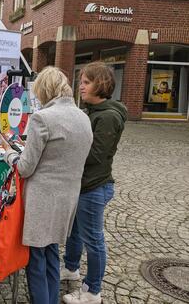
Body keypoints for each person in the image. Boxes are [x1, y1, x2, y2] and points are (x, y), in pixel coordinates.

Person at [0, 66, 93, 304]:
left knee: (36, 261)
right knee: (51, 254)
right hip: (67, 198)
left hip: (42, 201)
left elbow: (25, 168)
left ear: (44, 90)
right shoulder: (83, 117)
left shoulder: (43, 118)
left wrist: (9, 153)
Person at [62, 61, 127, 304]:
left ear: (100, 84)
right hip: (83, 184)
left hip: (94, 186)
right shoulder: (92, 111)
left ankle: (92, 291)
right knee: (75, 231)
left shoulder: (108, 116)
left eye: (86, 82)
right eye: (81, 82)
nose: (81, 87)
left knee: (93, 239)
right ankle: (70, 268)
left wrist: (65, 152)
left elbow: (96, 154)